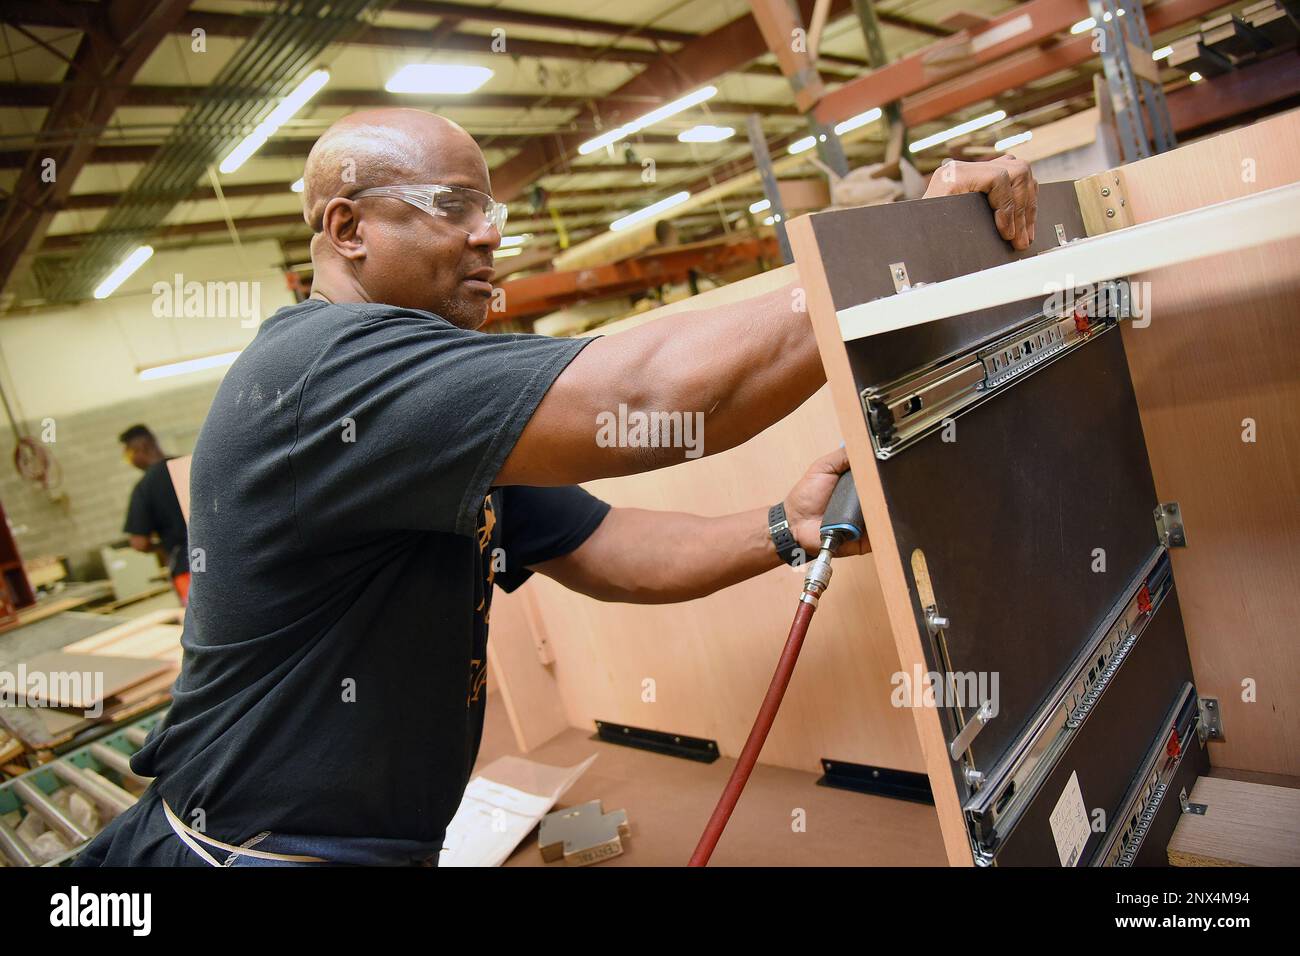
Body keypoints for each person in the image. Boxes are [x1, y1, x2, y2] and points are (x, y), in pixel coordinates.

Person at [78, 109, 1037, 866]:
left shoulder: (426, 407)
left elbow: (606, 550)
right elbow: (660, 398)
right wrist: (889, 245)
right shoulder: (329, 375)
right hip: (250, 855)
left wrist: (780, 530)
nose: (490, 234)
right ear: (347, 228)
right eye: (453, 204)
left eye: (491, 207)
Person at [119, 425, 191, 605]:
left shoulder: (145, 487)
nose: (130, 461)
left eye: (129, 455)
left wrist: (163, 548)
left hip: (188, 569)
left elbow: (139, 542)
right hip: (226, 558)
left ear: (140, 448)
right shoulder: (190, 465)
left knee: (206, 627)